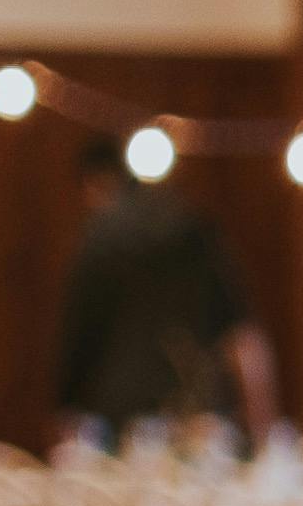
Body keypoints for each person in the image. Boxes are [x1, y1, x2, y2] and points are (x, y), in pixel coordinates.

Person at [48, 132, 281, 439]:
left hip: (120, 417)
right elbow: (242, 336)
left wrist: (63, 408)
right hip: (198, 414)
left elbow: (78, 337)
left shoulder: (99, 239)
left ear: (93, 183)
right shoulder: (192, 226)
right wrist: (263, 428)